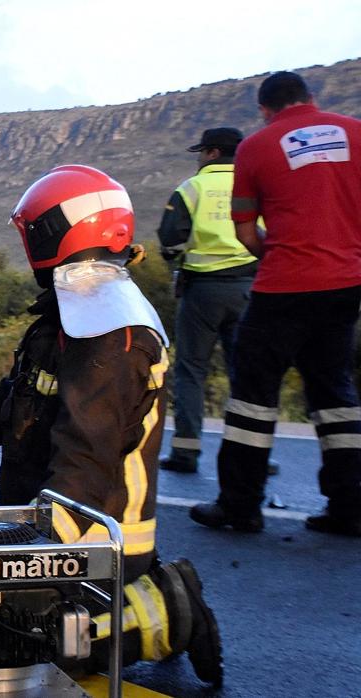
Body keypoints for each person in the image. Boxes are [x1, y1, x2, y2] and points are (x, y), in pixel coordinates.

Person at [0, 164, 223, 686]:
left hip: (96, 546)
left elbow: (86, 462)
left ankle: (168, 608)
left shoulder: (114, 337)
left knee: (0, 641)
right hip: (55, 534)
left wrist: (13, 550)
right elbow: (3, 410)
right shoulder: (66, 320)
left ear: (60, 235)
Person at [189, 71, 361, 537]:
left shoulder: (257, 146)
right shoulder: (355, 133)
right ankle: (350, 507)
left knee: (253, 398)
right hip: (345, 286)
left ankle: (239, 507)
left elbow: (246, 231)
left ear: (265, 110)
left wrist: (284, 254)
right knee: (335, 395)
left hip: (283, 288)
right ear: (312, 98)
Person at [157, 128, 257, 473]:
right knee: (246, 373)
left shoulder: (192, 187)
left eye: (201, 152)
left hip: (203, 291)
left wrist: (180, 263)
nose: (199, 158)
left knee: (191, 370)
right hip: (250, 287)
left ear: (213, 153)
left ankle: (186, 451)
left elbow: (170, 241)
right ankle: (253, 454)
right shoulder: (256, 184)